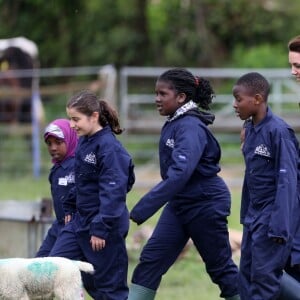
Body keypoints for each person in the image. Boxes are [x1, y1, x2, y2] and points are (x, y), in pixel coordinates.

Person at [128, 68, 240, 300]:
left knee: (220, 268)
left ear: (181, 97)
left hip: (205, 203)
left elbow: (180, 174)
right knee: (151, 260)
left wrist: (141, 209)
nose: (156, 99)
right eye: (155, 93)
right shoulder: (175, 122)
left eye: (162, 94)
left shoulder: (190, 126)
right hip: (180, 204)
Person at [49, 90, 135, 300]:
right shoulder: (85, 142)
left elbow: (115, 190)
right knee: (52, 270)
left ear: (94, 116)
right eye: (70, 119)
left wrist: (101, 228)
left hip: (103, 229)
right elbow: (83, 182)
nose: (72, 125)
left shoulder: (109, 148)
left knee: (108, 289)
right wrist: (70, 205)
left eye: (76, 119)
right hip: (79, 223)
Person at [232, 72, 300, 299]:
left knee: (264, 281)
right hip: (253, 218)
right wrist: (245, 215)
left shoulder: (279, 132)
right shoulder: (249, 129)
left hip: (273, 219)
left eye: (239, 99)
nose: (234, 104)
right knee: (246, 277)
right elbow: (251, 178)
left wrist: (281, 225)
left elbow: (288, 182)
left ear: (258, 99)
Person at [36, 118, 78, 257]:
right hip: (59, 224)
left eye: (58, 142)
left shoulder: (79, 166)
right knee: (39, 262)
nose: (53, 148)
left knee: (54, 265)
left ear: (70, 139)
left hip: (75, 226)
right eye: (49, 143)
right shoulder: (56, 169)